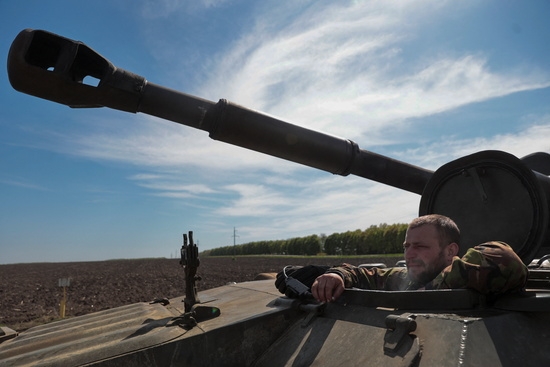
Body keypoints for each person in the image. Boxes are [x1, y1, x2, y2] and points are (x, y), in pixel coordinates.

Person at [311, 214, 528, 303]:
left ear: (451, 251)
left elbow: (503, 258)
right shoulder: (408, 279)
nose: (409, 254)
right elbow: (364, 274)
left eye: (421, 246)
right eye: (407, 246)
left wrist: (435, 287)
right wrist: (336, 274)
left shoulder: (471, 272)